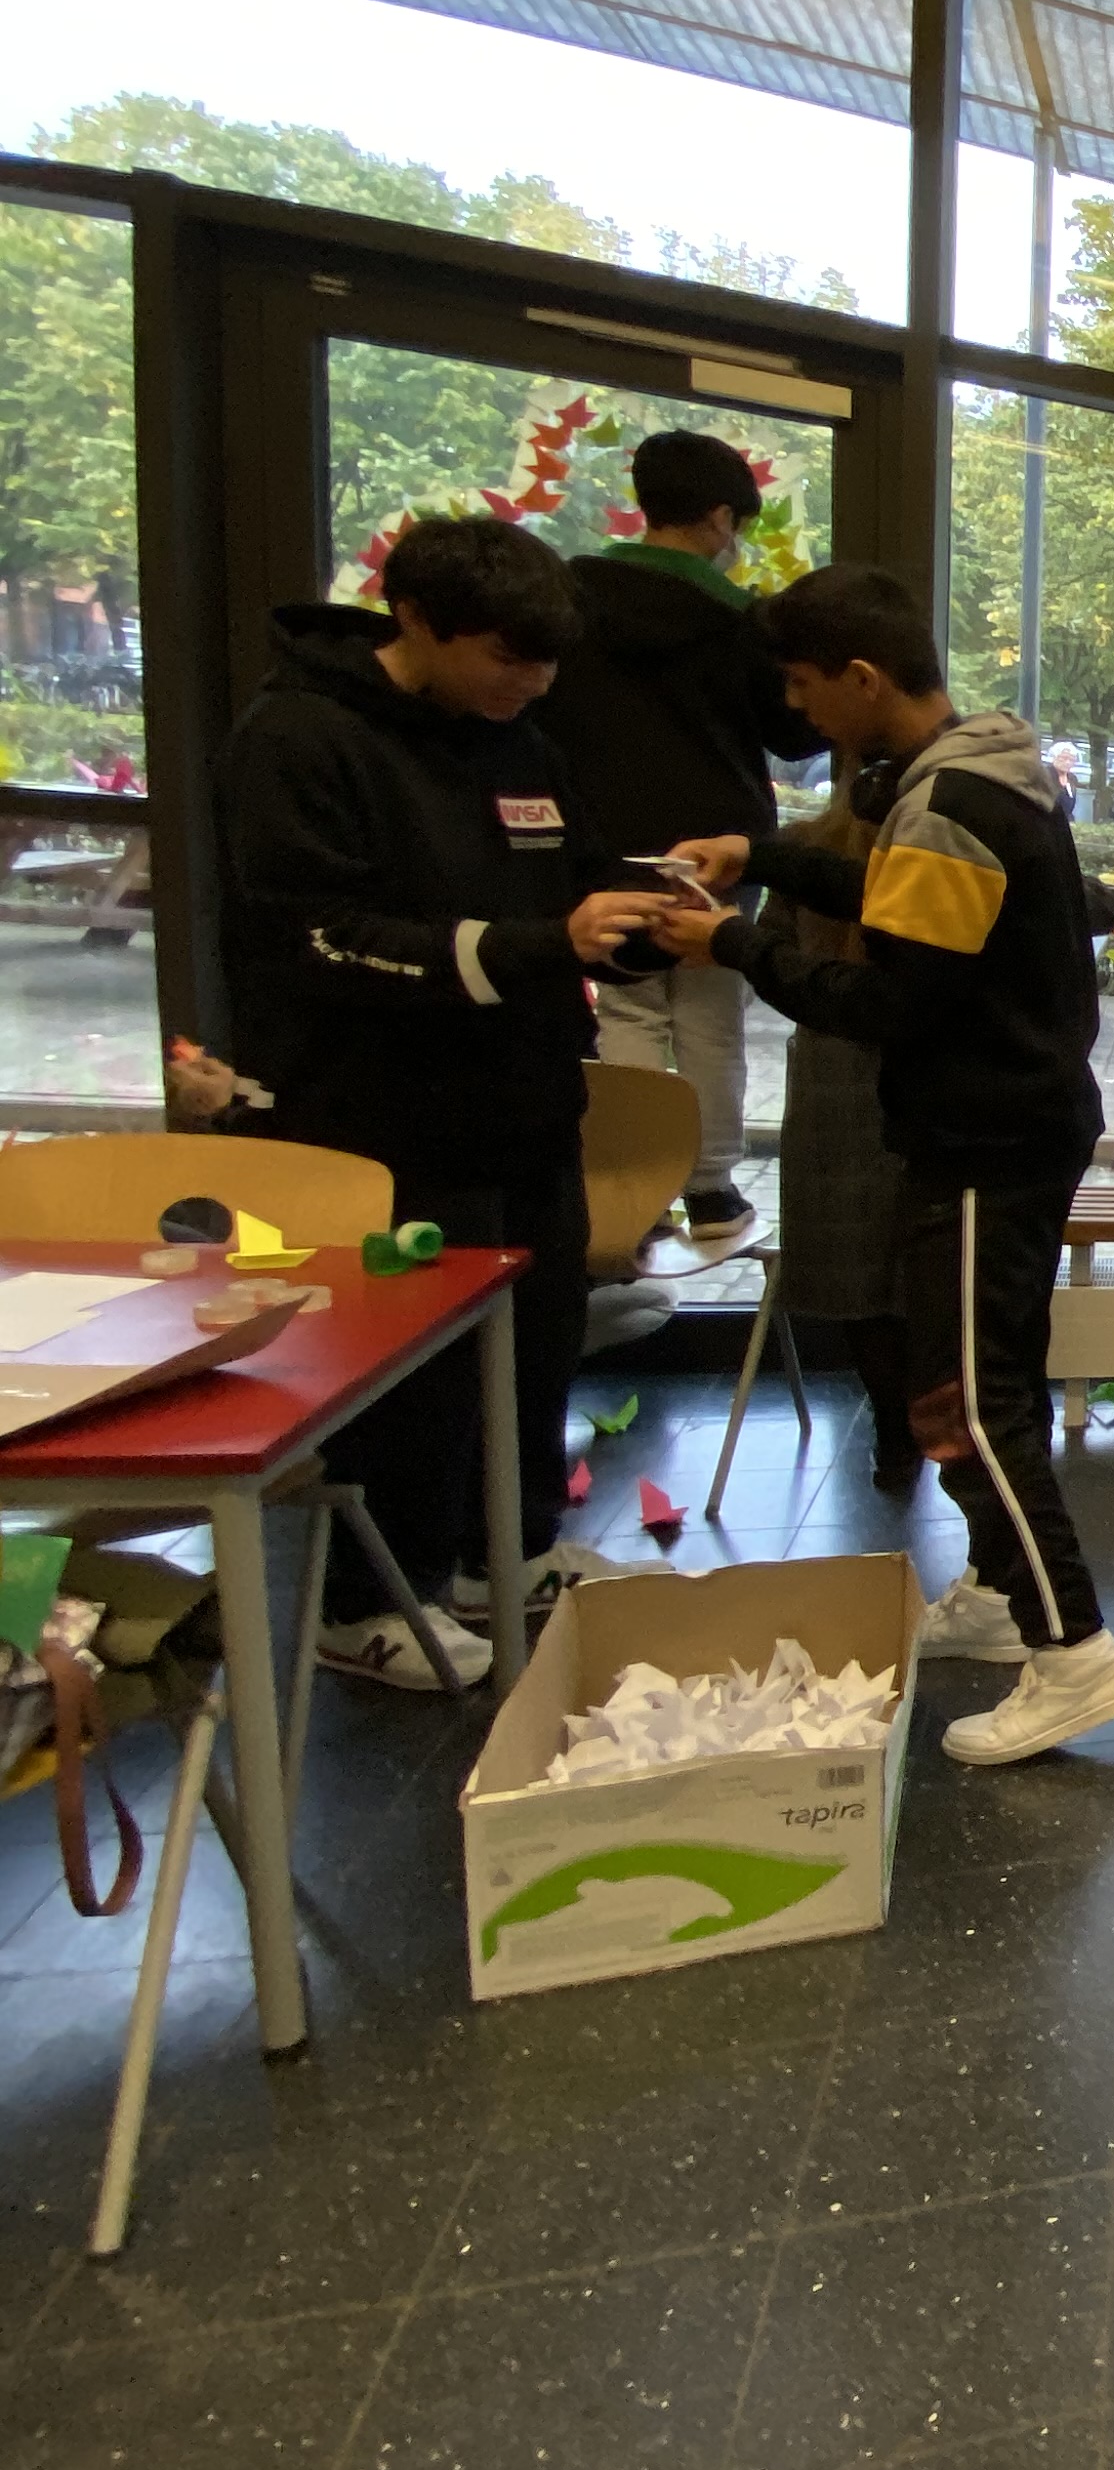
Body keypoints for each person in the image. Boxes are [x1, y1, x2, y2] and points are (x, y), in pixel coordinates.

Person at [645, 567, 1114, 1768]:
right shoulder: (977, 773)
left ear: (863, 678)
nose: (799, 708)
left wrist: (735, 944)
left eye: (804, 685)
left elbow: (890, 1002)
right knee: (979, 1379)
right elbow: (906, 902)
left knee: (970, 1402)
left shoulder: (946, 800)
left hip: (986, 1141)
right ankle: (1001, 1591)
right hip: (1009, 1127)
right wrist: (762, 858)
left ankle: (1074, 1650)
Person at [221, 516, 668, 1685]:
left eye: (547, 662)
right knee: (410, 1375)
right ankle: (368, 1602)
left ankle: (506, 1555)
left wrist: (641, 920)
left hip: (528, 1102)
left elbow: (577, 879)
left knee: (538, 1342)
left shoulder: (521, 741)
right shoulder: (300, 736)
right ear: (415, 618)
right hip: (378, 1115)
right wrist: (540, 945)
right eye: (506, 658)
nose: (531, 683)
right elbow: (317, 938)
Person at [537, 429, 820, 1246]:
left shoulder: (570, 602)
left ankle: (637, 1186)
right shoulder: (741, 622)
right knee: (710, 1009)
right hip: (721, 848)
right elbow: (793, 730)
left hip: (604, 841)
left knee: (626, 1006)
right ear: (721, 518)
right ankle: (711, 1188)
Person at [766, 738, 922, 1498]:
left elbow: (766, 957)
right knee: (917, 1263)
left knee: (854, 1274)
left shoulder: (802, 849)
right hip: (921, 1070)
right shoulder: (935, 856)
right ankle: (936, 1420)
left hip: (829, 1073)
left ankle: (893, 1434)